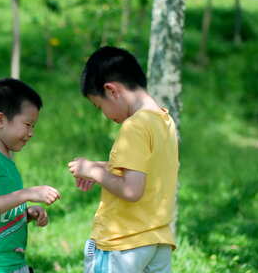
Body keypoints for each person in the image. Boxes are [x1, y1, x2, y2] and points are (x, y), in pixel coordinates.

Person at [68, 46, 179, 273]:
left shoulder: (134, 126)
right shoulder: (163, 121)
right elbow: (147, 170)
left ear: (112, 91)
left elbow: (131, 190)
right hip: (157, 240)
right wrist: (99, 167)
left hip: (123, 242)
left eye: (100, 106)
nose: (105, 115)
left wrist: (93, 172)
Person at [0, 78, 61, 273]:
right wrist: (26, 194)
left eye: (34, 126)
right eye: (27, 124)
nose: (31, 133)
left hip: (11, 263)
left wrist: (25, 214)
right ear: (0, 120)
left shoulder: (7, 161)